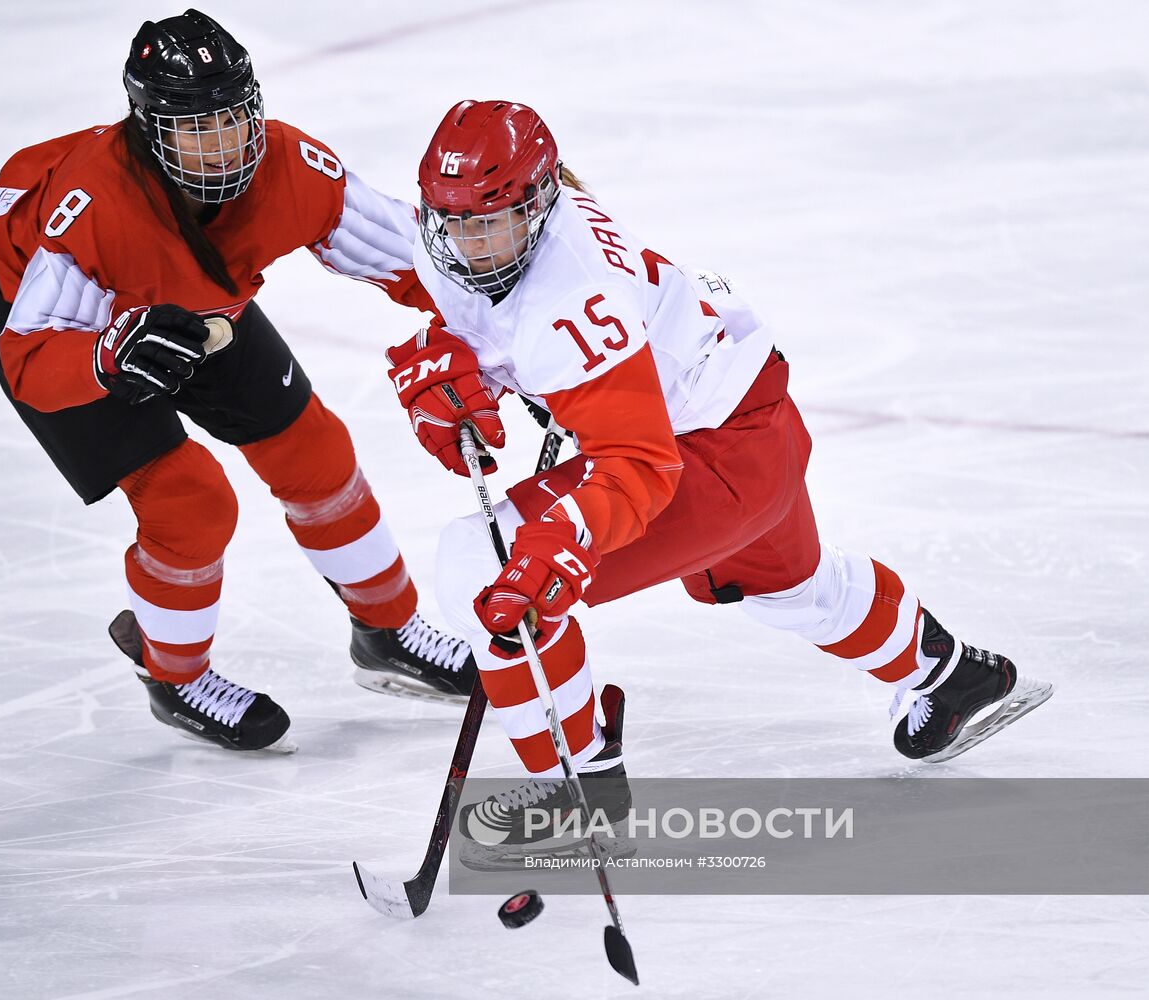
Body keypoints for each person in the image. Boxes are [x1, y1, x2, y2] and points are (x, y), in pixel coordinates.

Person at [385, 99, 1054, 849]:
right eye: (453, 220)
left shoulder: (571, 300)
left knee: (482, 564)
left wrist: (563, 537)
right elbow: (436, 280)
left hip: (710, 453)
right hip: (751, 415)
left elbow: (637, 465)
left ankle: (580, 784)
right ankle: (949, 674)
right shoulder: (529, 224)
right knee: (788, 588)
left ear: (537, 202)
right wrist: (465, 361)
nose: (469, 242)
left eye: (489, 220)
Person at [0, 9, 477, 754]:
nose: (224, 148)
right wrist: (105, 359)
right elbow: (32, 364)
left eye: (235, 119)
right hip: (74, 334)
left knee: (316, 452)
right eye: (194, 128)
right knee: (191, 503)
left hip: (200, 304)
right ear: (148, 130)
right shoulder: (91, 210)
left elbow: (425, 266)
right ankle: (173, 675)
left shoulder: (291, 168)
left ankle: (387, 631)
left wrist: (509, 335)